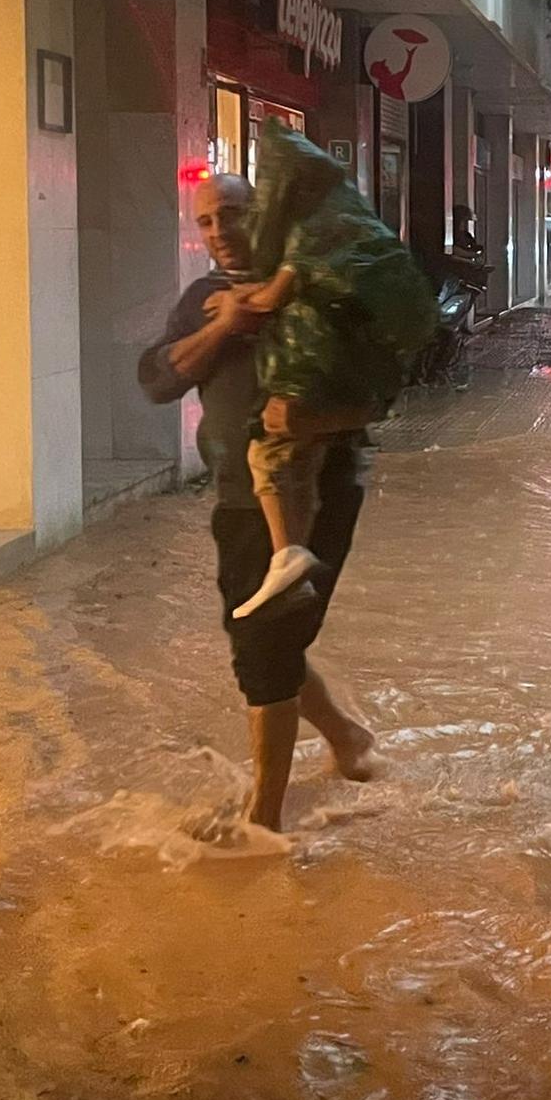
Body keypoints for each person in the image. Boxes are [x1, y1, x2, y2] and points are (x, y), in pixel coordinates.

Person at [139, 171, 380, 831]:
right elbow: (158, 379)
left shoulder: (318, 293)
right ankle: (346, 737)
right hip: (238, 500)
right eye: (207, 222)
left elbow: (379, 401)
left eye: (234, 216)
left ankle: (263, 819)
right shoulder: (204, 301)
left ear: (265, 215)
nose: (220, 233)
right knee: (256, 638)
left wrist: (314, 425)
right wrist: (226, 329)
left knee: (267, 646)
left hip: (321, 499)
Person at [225, 122, 435, 619]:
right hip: (360, 369)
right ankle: (291, 561)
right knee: (296, 457)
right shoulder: (349, 218)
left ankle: (287, 554)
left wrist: (239, 300)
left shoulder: (311, 233)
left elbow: (273, 296)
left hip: (320, 368)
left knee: (270, 447)